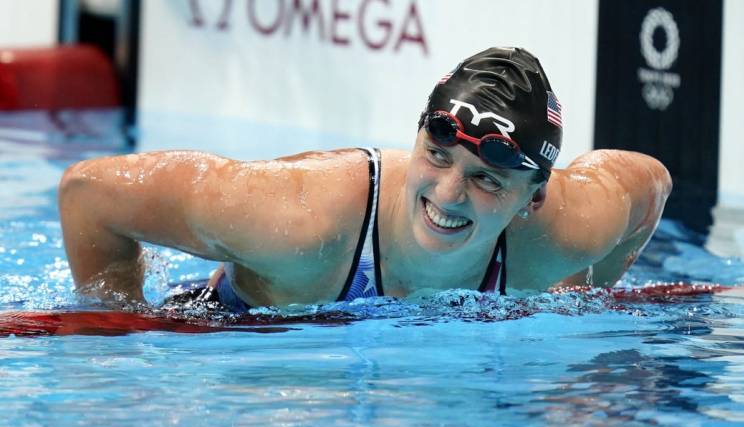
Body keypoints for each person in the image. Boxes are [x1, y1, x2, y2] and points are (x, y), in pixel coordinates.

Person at [58, 47, 672, 310]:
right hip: (232, 329)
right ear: (416, 135)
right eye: (437, 155)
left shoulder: (565, 230)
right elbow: (89, 193)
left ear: (532, 200)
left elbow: (653, 184)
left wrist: (577, 289)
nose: (448, 194)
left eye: (487, 180)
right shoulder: (296, 219)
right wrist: (114, 335)